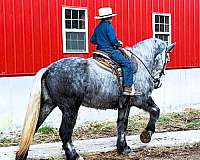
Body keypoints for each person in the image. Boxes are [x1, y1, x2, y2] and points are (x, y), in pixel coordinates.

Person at [90, 7, 141, 96]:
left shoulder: (98, 27)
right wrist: (118, 44)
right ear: (110, 17)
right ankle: (127, 88)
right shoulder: (108, 26)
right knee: (127, 64)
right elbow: (113, 40)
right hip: (109, 51)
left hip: (99, 51)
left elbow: (92, 40)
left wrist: (101, 40)